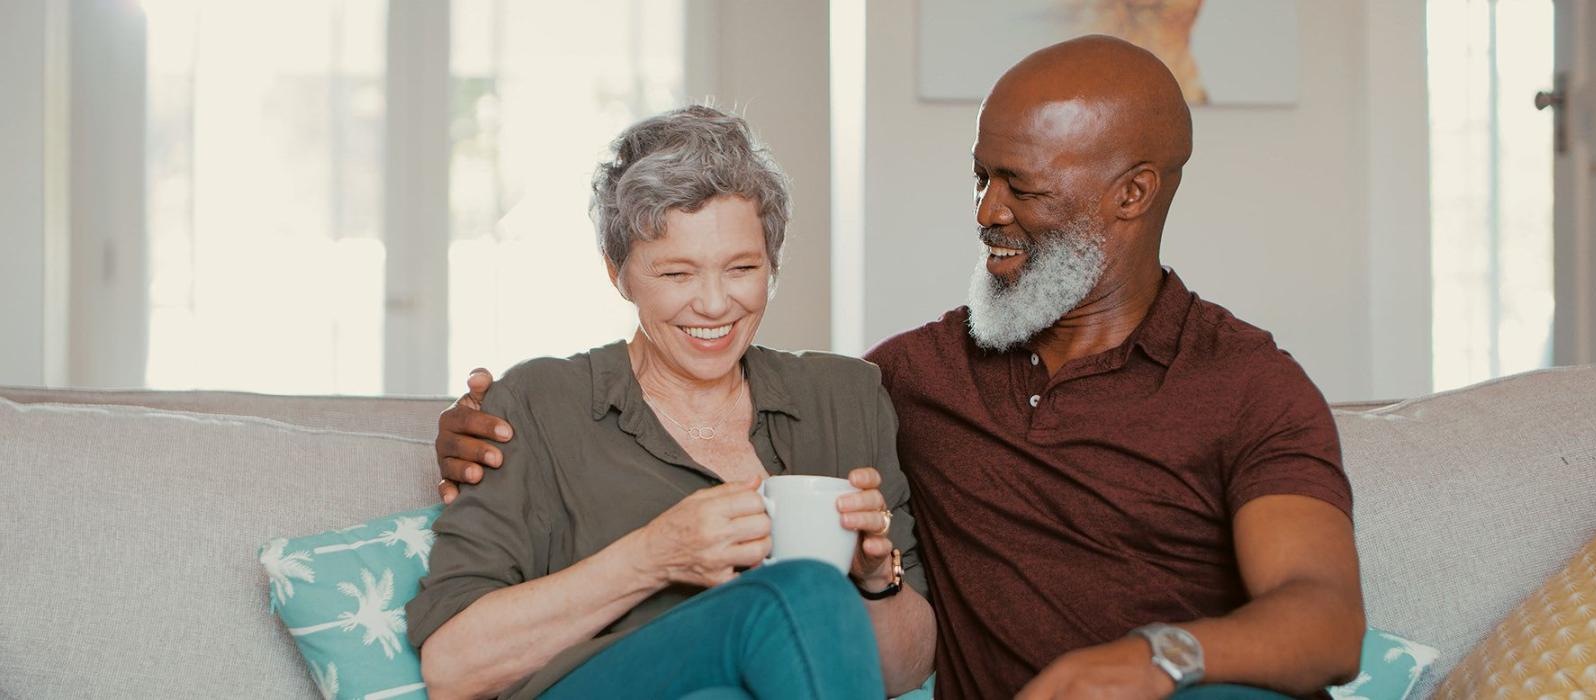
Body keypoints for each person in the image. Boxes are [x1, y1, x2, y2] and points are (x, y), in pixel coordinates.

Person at [437, 37, 1362, 699]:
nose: (986, 211)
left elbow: (1325, 619)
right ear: (621, 273)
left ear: (1134, 193)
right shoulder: (913, 378)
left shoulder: (1246, 384)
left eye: (1023, 186)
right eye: (981, 177)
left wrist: (1157, 658)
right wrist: (464, 434)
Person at [407, 105, 935, 700]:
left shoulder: (845, 398)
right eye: (677, 274)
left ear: (773, 263)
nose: (713, 304)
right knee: (807, 587)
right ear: (618, 273)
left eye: (741, 268)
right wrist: (654, 557)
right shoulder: (537, 402)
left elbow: (906, 670)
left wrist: (875, 580)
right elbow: (453, 670)